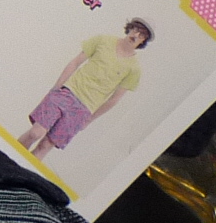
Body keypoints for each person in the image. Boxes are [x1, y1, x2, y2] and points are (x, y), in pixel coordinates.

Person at [18, 18, 153, 159]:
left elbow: (114, 99)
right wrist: (56, 87)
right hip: (68, 92)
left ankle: (16, 171)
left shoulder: (134, 69)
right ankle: (8, 158)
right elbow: (75, 62)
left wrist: (89, 119)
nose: (136, 35)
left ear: (143, 41)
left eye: (142, 35)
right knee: (35, 133)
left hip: (84, 109)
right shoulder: (103, 40)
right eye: (136, 29)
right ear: (130, 28)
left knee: (46, 145)